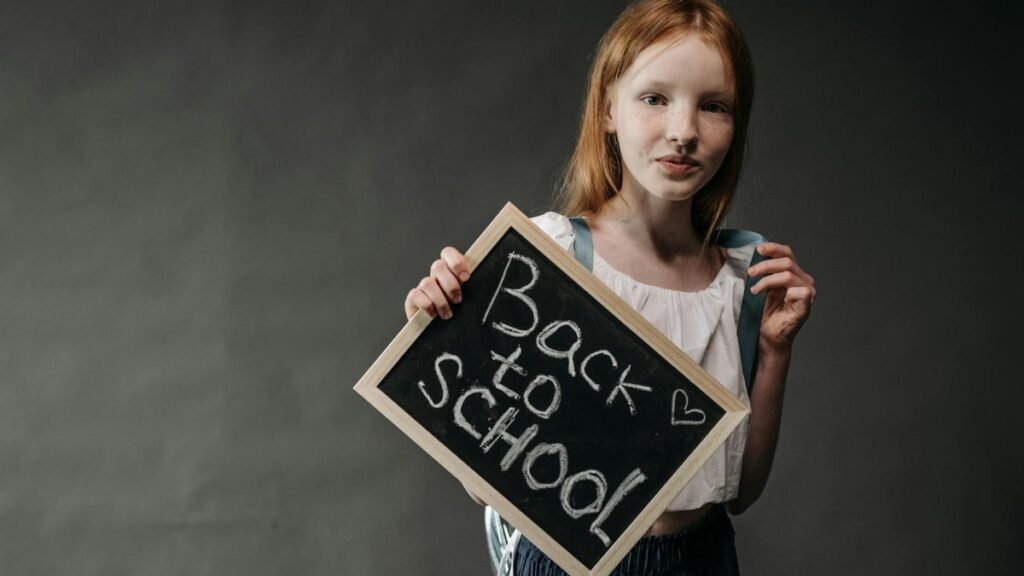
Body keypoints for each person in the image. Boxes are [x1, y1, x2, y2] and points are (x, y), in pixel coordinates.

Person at [403, 0, 816, 573]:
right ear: (607, 111)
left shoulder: (741, 278)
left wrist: (775, 350)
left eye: (714, 106)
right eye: (654, 99)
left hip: (702, 558)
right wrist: (447, 334)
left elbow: (742, 490)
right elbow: (489, 483)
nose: (683, 131)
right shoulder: (552, 255)